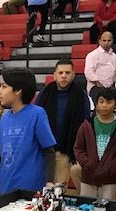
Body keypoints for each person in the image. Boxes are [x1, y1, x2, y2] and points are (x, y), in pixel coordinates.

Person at [0, 68, 56, 194]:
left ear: (18, 91)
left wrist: (49, 181)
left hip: (30, 188)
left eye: (4, 87)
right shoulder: (4, 118)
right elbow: (3, 150)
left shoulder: (37, 114)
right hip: (6, 186)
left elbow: (48, 150)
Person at [35, 59, 90, 192]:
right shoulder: (44, 94)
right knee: (39, 189)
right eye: (60, 72)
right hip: (43, 150)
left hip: (65, 150)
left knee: (57, 191)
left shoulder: (81, 96)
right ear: (54, 75)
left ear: (73, 75)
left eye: (67, 72)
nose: (64, 75)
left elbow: (85, 123)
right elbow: (35, 120)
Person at [74, 88, 116, 199]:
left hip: (109, 177)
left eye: (109, 102)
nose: (104, 105)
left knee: (107, 210)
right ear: (96, 104)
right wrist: (86, 164)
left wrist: (112, 167)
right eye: (101, 101)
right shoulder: (87, 124)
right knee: (86, 210)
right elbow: (78, 148)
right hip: (88, 176)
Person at [84, 31, 116, 108]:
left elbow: (114, 71)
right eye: (104, 40)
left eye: (109, 41)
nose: (106, 43)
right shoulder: (93, 55)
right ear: (99, 41)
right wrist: (99, 84)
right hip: (96, 87)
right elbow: (88, 72)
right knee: (100, 108)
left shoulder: (114, 56)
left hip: (109, 87)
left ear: (112, 41)